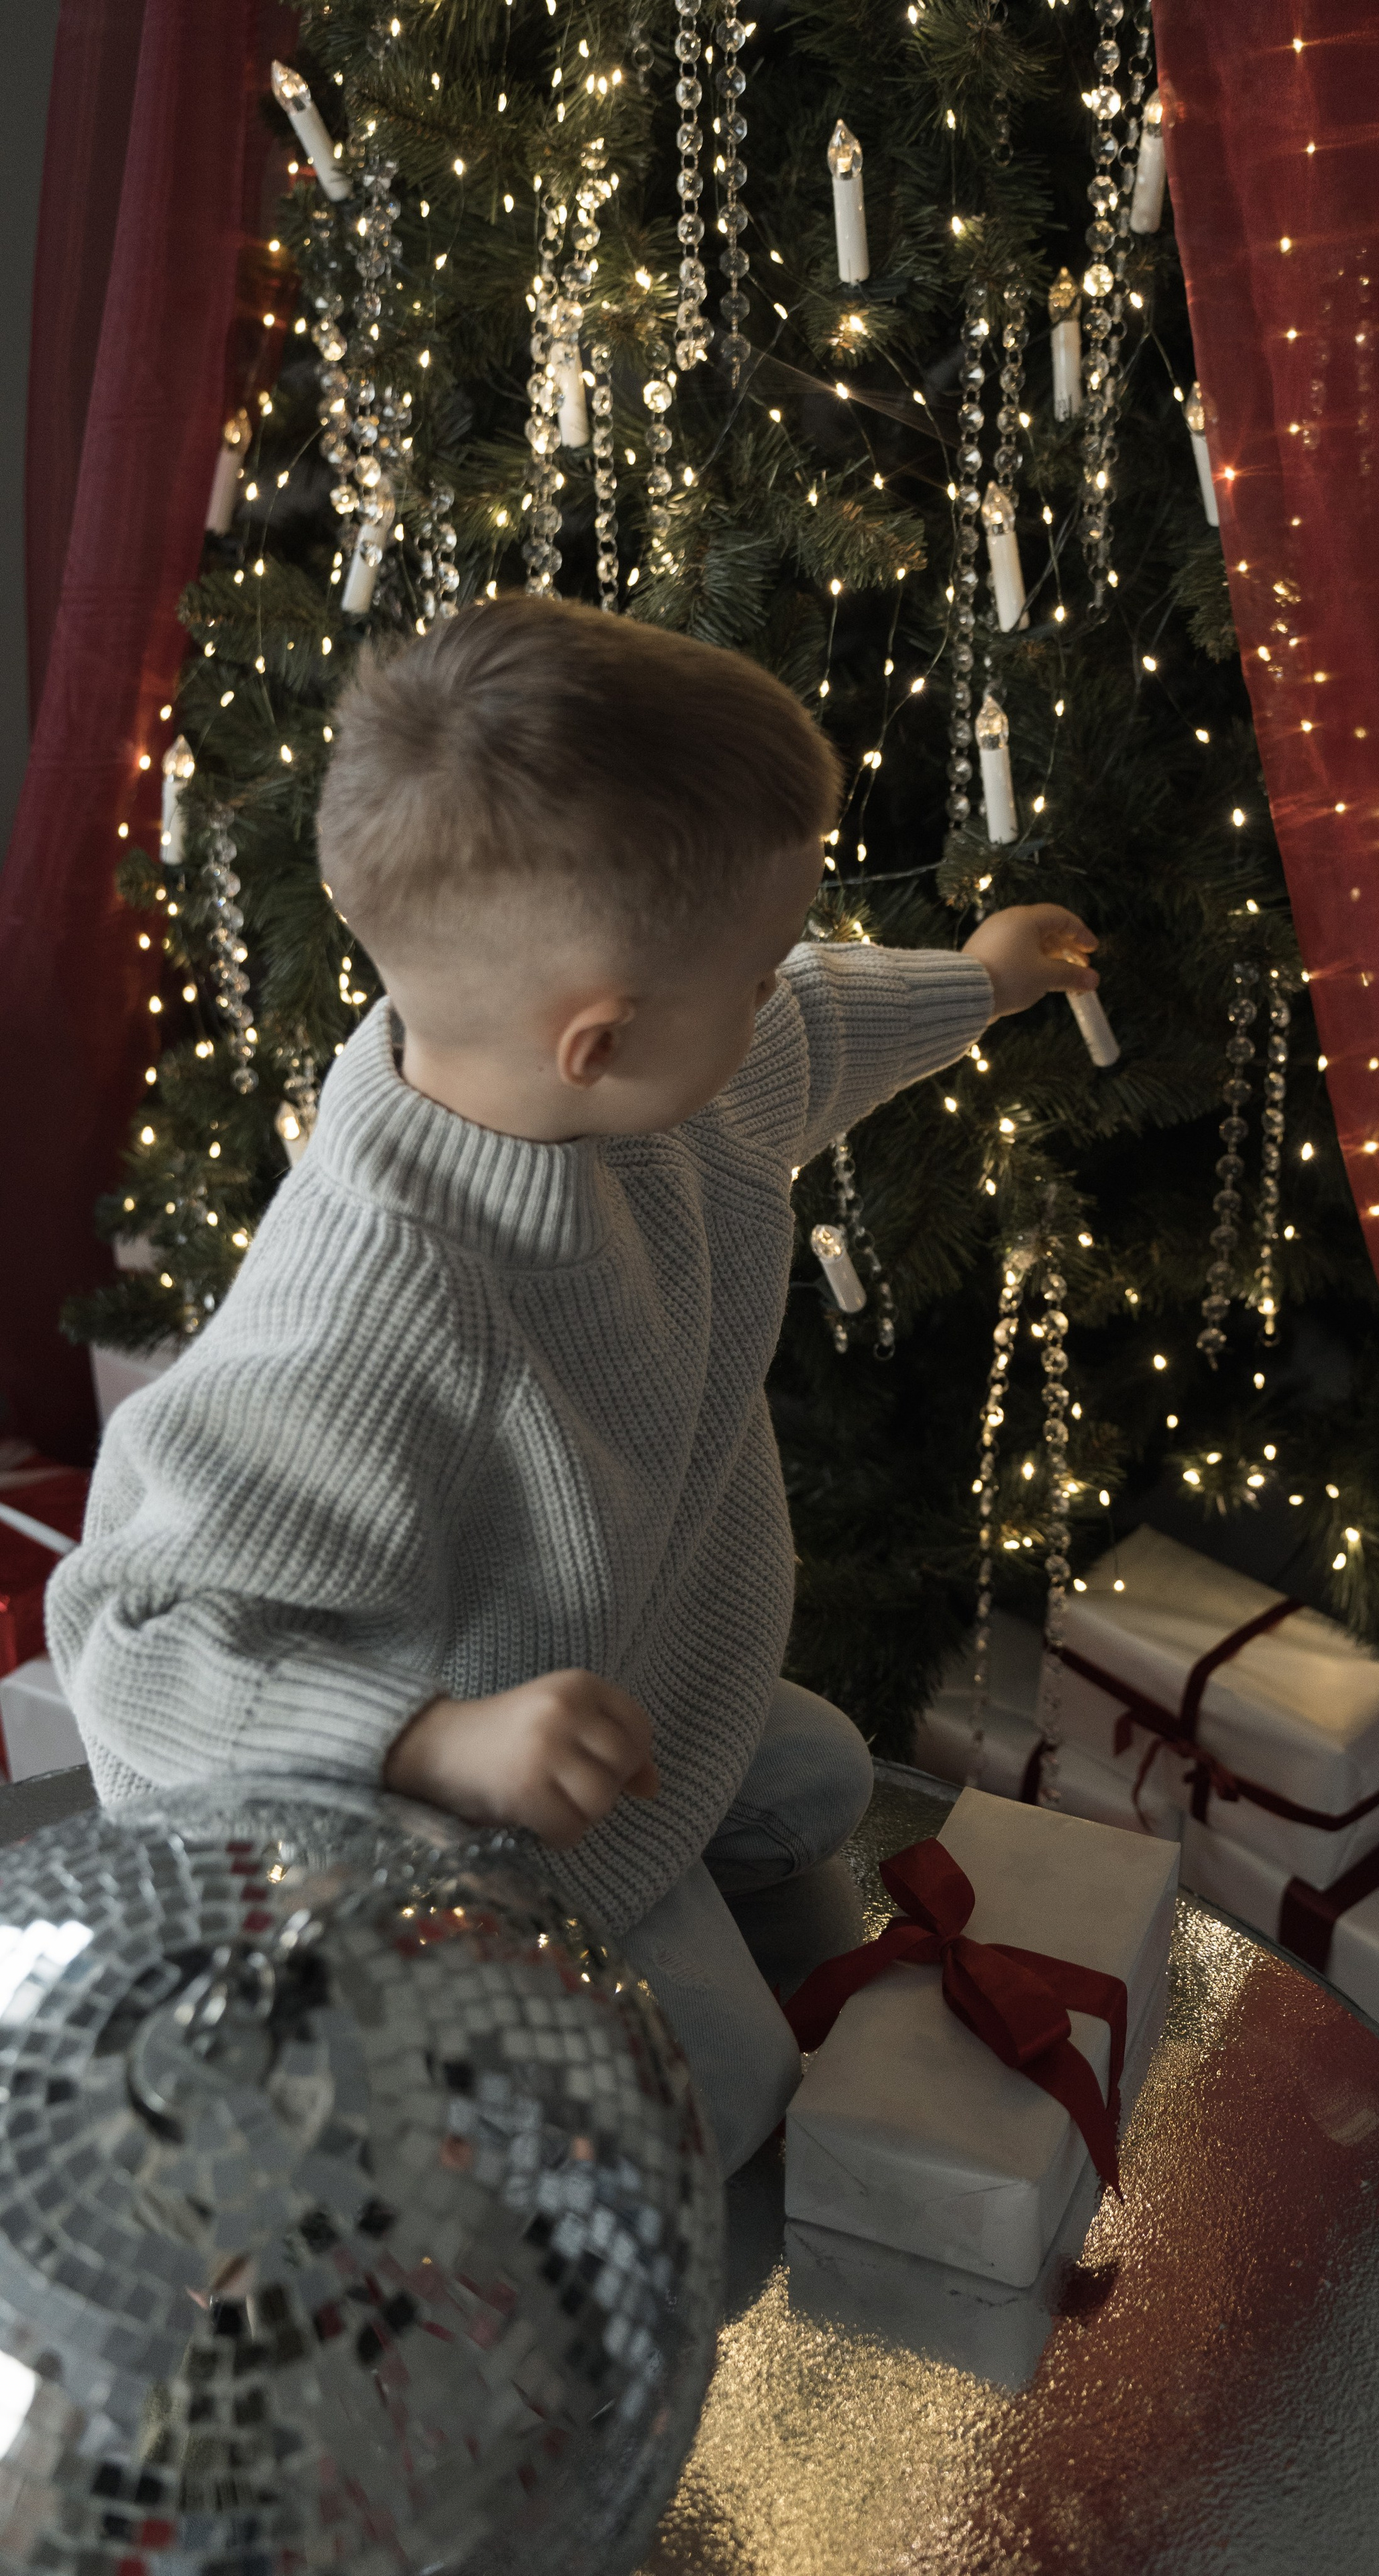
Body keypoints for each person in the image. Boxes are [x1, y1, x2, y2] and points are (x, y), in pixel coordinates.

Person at [48, 596, 1103, 2176]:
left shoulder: (646, 1081)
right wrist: (429, 1744)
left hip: (632, 1642)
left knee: (812, 1789)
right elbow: (136, 1637)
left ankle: (661, 1782)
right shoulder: (379, 1302)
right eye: (745, 973)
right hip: (467, 1792)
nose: (774, 995)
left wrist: (979, 985)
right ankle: (437, 2027)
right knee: (721, 2101)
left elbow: (807, 1026)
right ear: (597, 1041)